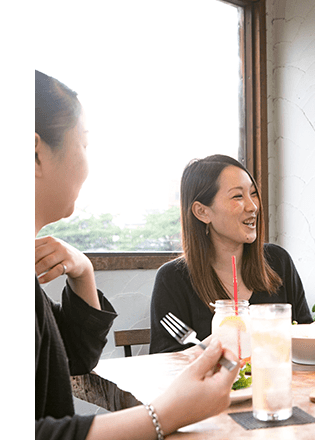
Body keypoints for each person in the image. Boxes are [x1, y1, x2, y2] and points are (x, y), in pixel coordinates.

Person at [35, 70, 241, 440]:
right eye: (83, 144)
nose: (87, 164)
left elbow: (72, 361)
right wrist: (164, 414)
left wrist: (84, 271)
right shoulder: (174, 276)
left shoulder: (278, 262)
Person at [150, 154, 315, 354]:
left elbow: (299, 333)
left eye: (253, 193)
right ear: (202, 212)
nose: (253, 206)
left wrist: (312, 335)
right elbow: (164, 363)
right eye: (238, 196)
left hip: (274, 383)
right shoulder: (173, 278)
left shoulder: (278, 261)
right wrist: (220, 341)